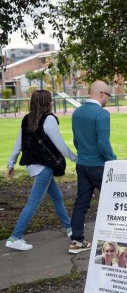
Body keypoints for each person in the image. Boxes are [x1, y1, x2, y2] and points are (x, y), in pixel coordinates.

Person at [5, 90, 77, 251]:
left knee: (57, 196)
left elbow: (19, 144)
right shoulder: (49, 119)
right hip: (44, 167)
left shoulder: (27, 119)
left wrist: (11, 163)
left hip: (33, 166)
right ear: (48, 102)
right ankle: (15, 237)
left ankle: (70, 228)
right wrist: (76, 159)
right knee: (33, 202)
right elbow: (60, 145)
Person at [69, 80, 117, 254]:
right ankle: (116, 238)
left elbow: (76, 141)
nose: (109, 100)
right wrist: (114, 160)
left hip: (82, 164)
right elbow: (103, 144)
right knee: (112, 201)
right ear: (102, 94)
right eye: (109, 96)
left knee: (81, 203)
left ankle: (76, 240)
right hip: (98, 166)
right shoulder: (102, 114)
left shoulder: (77, 112)